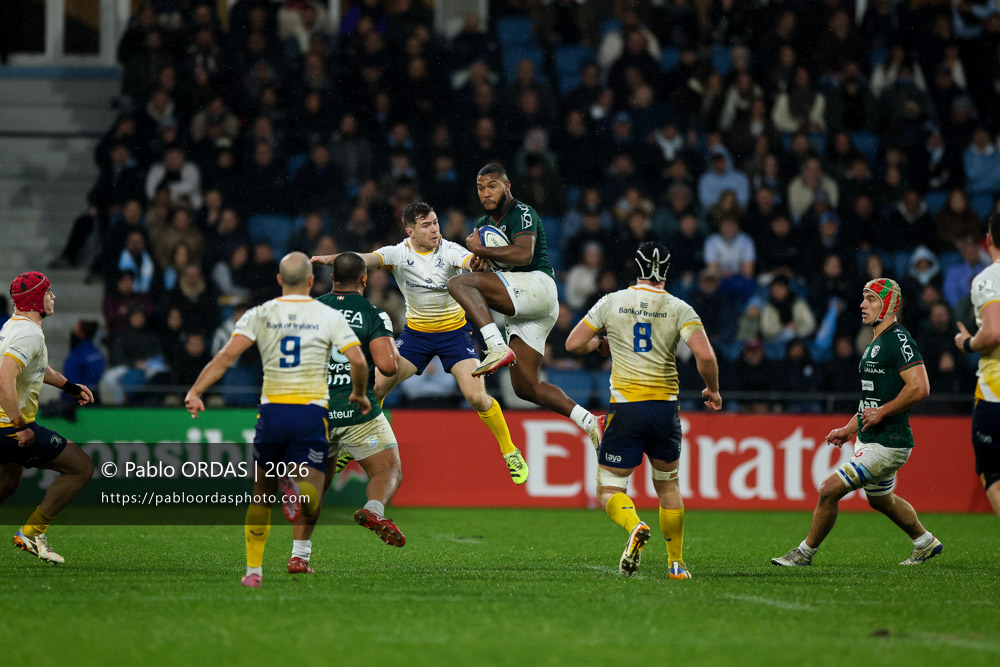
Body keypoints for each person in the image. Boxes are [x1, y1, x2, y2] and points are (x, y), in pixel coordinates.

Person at [184, 252, 371, 588]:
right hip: (310, 413)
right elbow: (358, 360)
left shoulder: (261, 313)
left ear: (279, 280)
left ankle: (253, 571)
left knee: (260, 494)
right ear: (312, 281)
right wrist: (359, 393)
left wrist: (196, 391)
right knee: (313, 497)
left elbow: (226, 356)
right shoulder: (326, 315)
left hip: (272, 411)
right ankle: (297, 491)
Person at [312, 201, 529, 484]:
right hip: (416, 336)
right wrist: (333, 258)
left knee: (476, 397)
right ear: (410, 231)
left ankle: (510, 451)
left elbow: (469, 263)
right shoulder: (398, 253)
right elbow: (363, 259)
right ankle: (353, 446)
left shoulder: (450, 250)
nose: (434, 229)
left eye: (436, 222)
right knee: (375, 387)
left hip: (455, 334)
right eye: (426, 225)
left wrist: (476, 263)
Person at [565, 243, 722, 579]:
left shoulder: (612, 301)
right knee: (668, 486)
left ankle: (635, 525)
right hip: (665, 409)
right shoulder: (679, 307)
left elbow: (573, 344)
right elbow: (705, 357)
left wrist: (601, 342)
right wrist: (713, 389)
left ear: (635, 266)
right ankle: (676, 563)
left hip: (626, 408)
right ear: (667, 271)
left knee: (610, 488)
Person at [773, 278, 943, 567]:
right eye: (863, 298)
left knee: (828, 489)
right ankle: (925, 542)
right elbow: (869, 403)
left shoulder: (898, 339)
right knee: (880, 499)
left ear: (888, 305)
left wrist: (884, 412)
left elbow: (920, 387)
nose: (863, 305)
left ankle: (804, 554)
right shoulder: (874, 341)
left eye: (871, 299)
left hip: (888, 442)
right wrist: (848, 429)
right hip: (873, 436)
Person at [446, 163, 602, 450]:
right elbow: (490, 267)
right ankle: (590, 421)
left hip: (538, 286)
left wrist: (479, 250)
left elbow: (523, 253)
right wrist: (481, 263)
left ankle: (495, 346)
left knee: (458, 284)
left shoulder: (522, 212)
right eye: (481, 188)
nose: (486, 193)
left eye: (492, 185)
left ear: (507, 186)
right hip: (521, 302)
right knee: (526, 387)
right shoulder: (482, 225)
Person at [288, 252, 405, 574]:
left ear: (331, 279)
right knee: (387, 469)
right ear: (364, 280)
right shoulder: (372, 313)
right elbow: (388, 365)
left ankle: (299, 556)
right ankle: (373, 509)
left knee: (315, 487)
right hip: (357, 411)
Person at [0, 272, 96, 564]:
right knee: (80, 467)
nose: (53, 296)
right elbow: (4, 376)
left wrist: (69, 387)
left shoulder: (16, 326)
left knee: (8, 480)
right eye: (48, 292)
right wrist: (19, 425)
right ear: (34, 299)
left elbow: (39, 366)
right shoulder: (28, 333)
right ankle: (32, 531)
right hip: (8, 426)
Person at [953, 212, 1000, 519]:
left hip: (996, 392)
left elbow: (994, 332)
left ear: (989, 239)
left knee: (994, 473)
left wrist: (968, 342)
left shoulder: (988, 279)